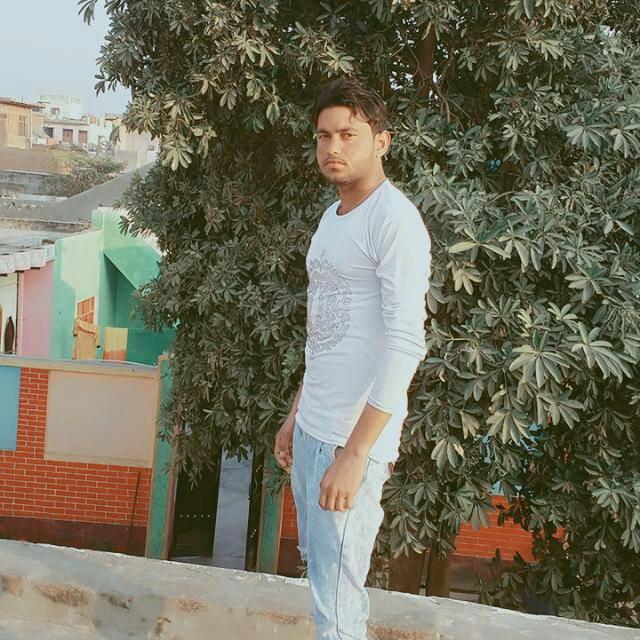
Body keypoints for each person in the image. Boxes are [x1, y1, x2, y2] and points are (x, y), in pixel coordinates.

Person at [274, 77, 431, 640]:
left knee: (339, 603)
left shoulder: (395, 222)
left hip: (350, 441)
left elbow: (407, 343)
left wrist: (357, 454)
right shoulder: (332, 217)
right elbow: (325, 330)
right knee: (324, 580)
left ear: (381, 142)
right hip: (314, 429)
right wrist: (297, 413)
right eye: (324, 136)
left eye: (348, 135)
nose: (333, 147)